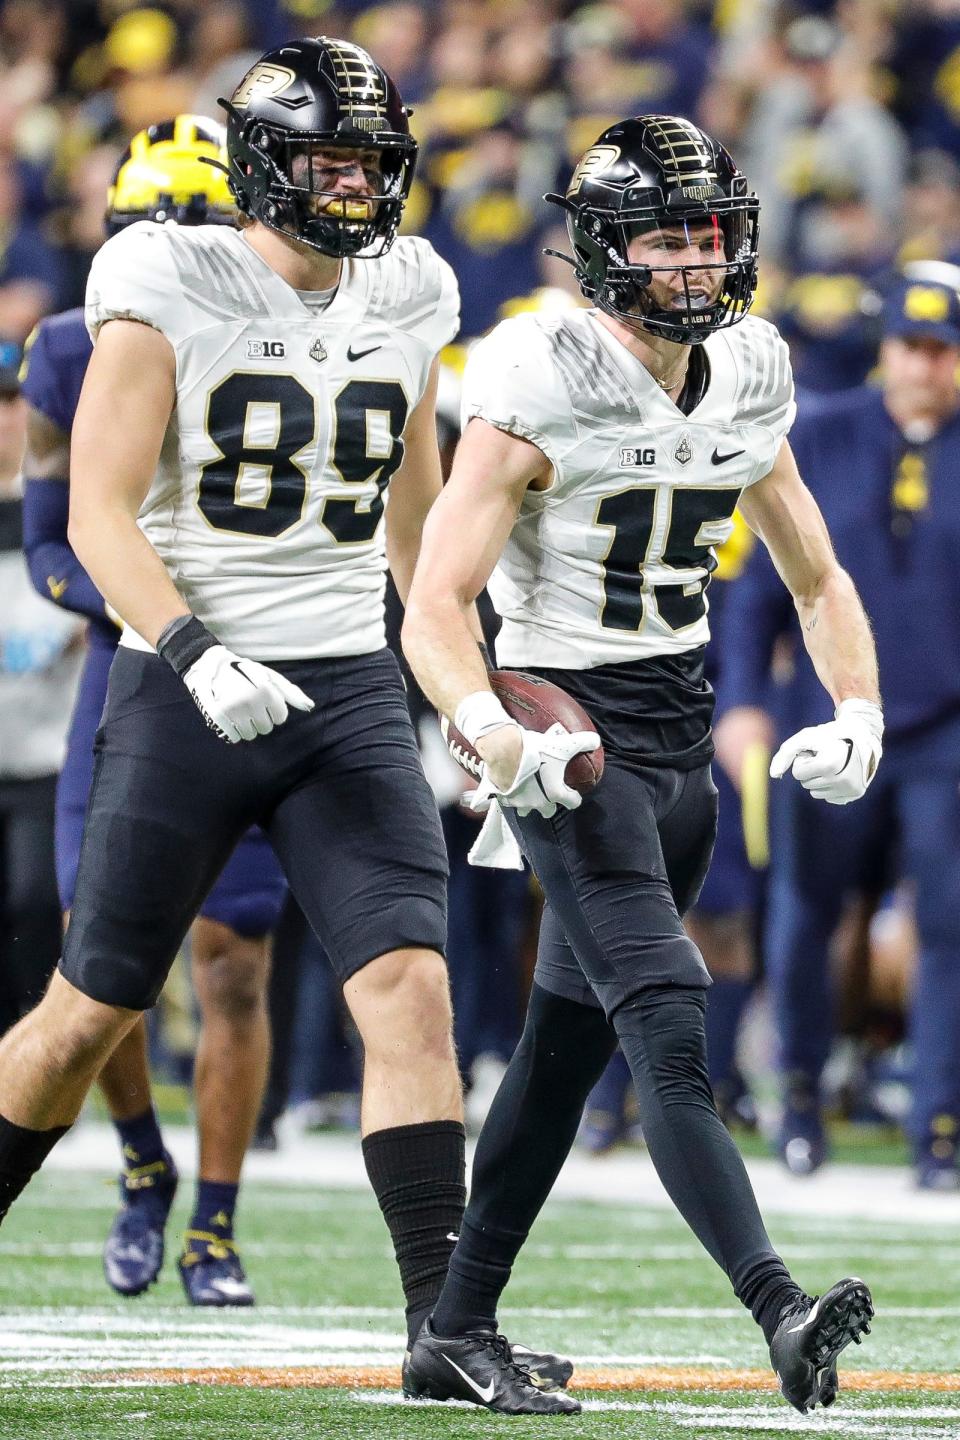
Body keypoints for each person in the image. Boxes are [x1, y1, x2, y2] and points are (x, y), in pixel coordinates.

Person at [0, 35, 498, 1372]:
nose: (352, 184)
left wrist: (464, 684)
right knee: (89, 1009)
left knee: (409, 992)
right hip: (186, 684)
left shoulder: (412, 290)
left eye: (369, 159)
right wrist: (190, 645)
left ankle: (441, 1328)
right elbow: (98, 514)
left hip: (340, 688)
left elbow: (418, 519)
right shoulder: (166, 274)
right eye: (328, 157)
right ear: (264, 166)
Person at [402, 114, 880, 1415]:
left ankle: (451, 1329)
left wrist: (858, 705)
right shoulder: (538, 369)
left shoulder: (749, 369)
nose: (697, 260)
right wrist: (492, 733)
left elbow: (818, 569)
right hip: (572, 734)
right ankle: (779, 1309)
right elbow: (435, 602)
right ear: (606, 248)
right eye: (668, 236)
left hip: (680, 732)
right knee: (671, 1024)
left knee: (560, 1058)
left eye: (712, 232)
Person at [20, 115, 289, 1306]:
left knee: (234, 967)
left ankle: (216, 1226)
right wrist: (158, 615)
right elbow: (48, 543)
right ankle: (142, 1164)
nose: (161, 251)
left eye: (184, 224)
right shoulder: (71, 347)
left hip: (273, 672)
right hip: (135, 679)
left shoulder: (304, 335)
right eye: (143, 226)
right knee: (100, 957)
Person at [715, 265, 960, 1190]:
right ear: (883, 346)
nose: (924, 367)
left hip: (944, 729)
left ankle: (937, 1126)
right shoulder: (816, 435)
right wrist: (739, 699)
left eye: (942, 351)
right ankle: (801, 1103)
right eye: (910, 346)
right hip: (822, 716)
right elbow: (753, 590)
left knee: (948, 924)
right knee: (803, 913)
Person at [0, 354, 84, 1037]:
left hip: (48, 749)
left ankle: (32, 1056)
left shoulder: (63, 497)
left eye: (11, 402)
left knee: (37, 902)